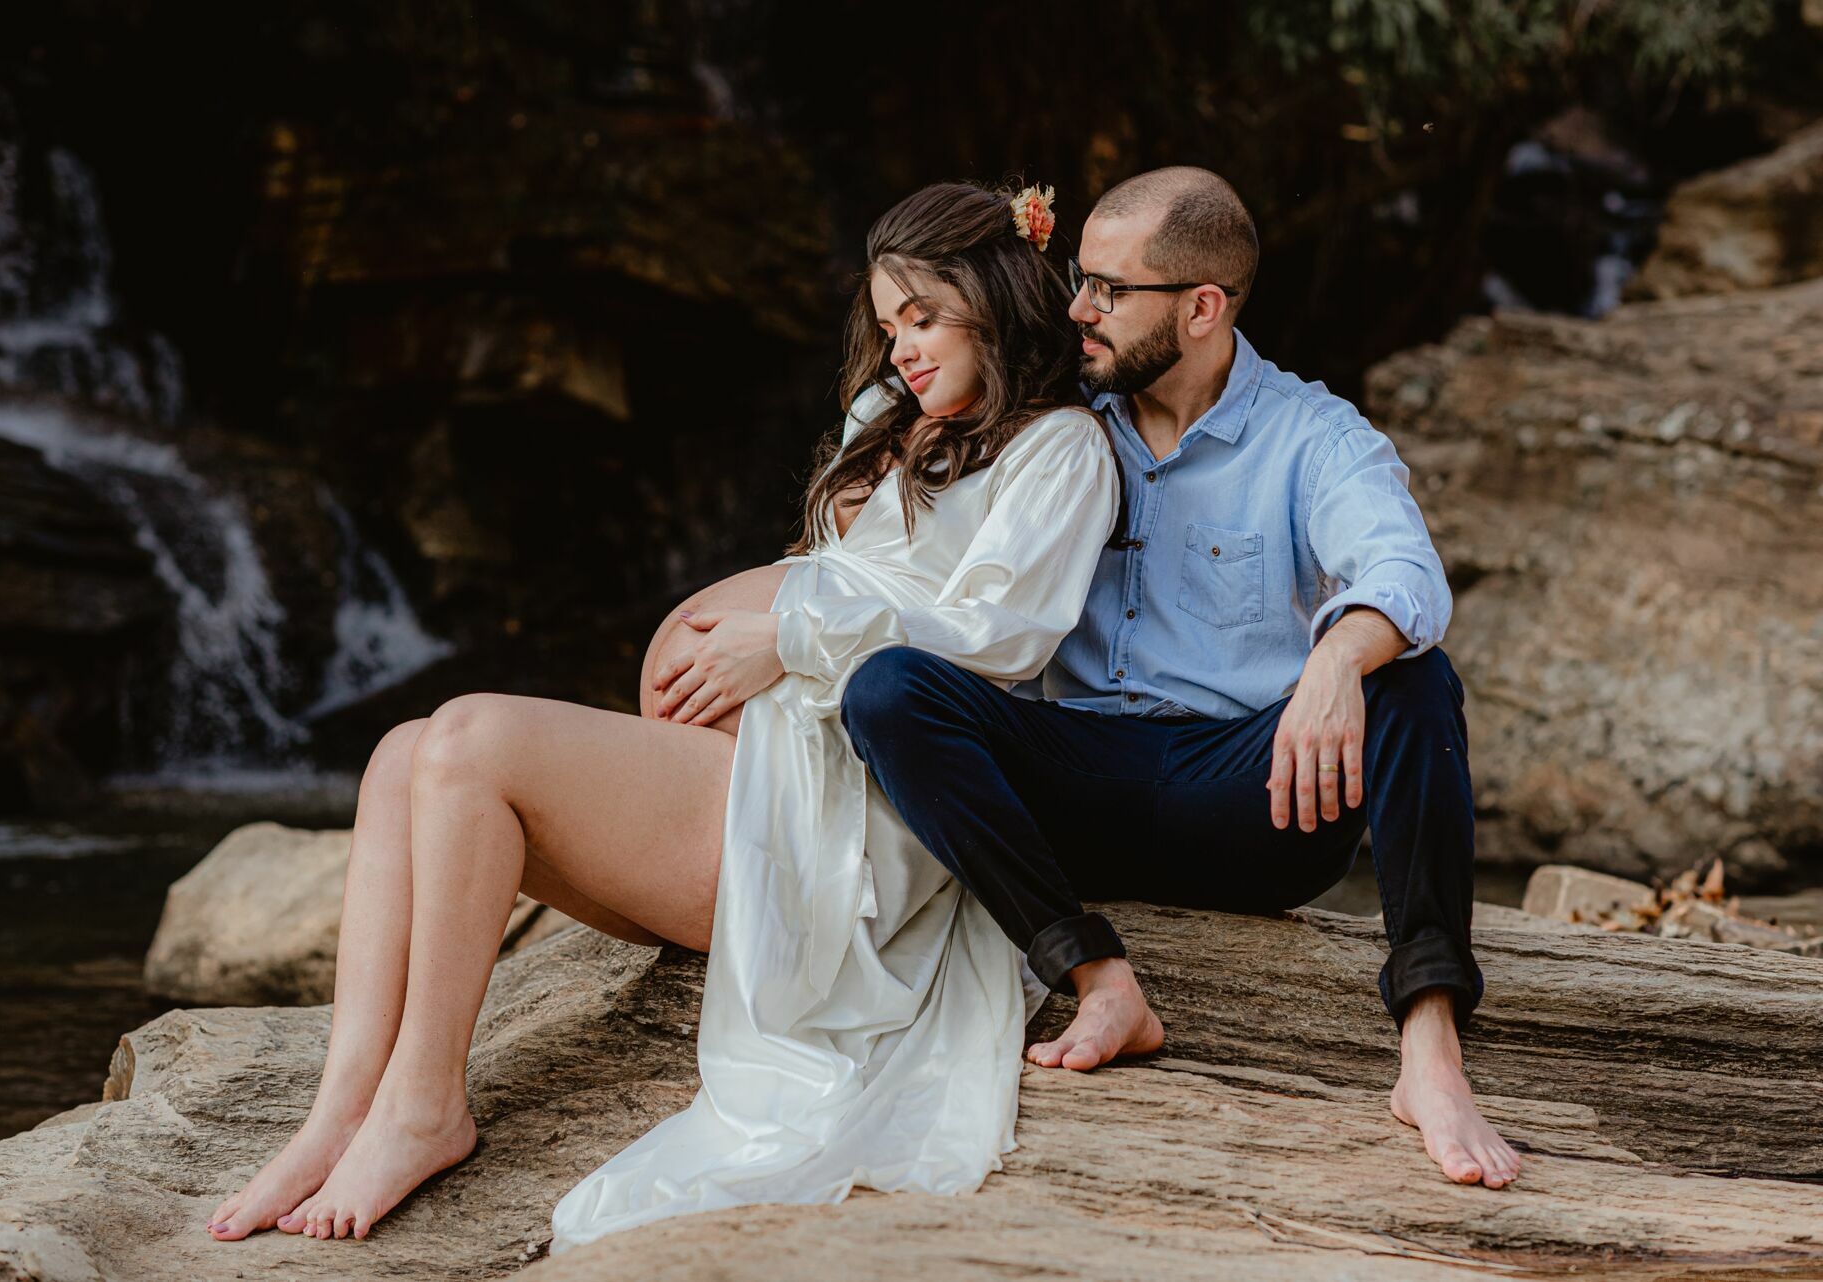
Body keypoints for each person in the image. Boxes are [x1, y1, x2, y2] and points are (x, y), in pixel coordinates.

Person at [203, 179, 1121, 1245]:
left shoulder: (1061, 449)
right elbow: (849, 578)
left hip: (853, 835)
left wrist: (779, 635)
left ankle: (424, 1107)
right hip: (768, 783)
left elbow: (998, 635)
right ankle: (339, 1110)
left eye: (923, 317)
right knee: (401, 754)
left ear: (997, 296)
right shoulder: (910, 429)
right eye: (887, 327)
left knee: (468, 738)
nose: (903, 349)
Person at [839, 166, 1523, 1192]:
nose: (1078, 308)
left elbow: (1404, 570)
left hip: (1248, 801)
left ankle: (1430, 1051)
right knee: (888, 690)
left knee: (1415, 678)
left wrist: (1338, 655)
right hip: (1064, 785)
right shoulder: (1046, 413)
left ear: (1203, 307)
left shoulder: (1313, 436)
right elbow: (908, 418)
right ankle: (1096, 975)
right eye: (1080, 278)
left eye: (1110, 290)